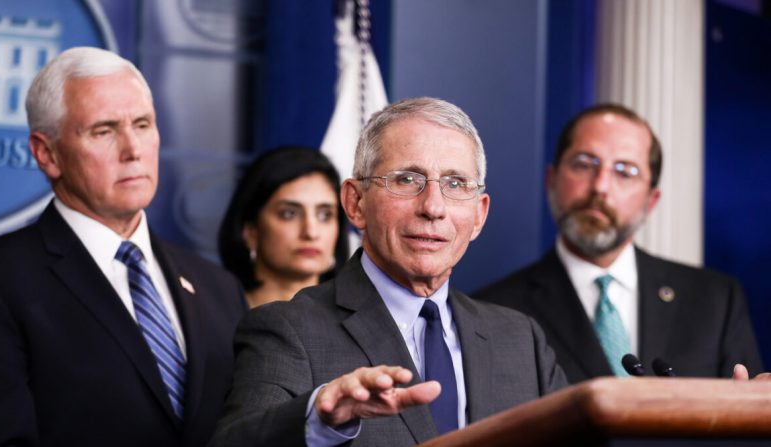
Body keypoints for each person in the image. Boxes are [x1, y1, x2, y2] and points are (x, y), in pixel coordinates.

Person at [209, 97, 567, 447]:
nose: (433, 207)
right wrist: (319, 419)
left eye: (456, 184)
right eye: (407, 180)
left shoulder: (521, 339)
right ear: (355, 203)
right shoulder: (289, 330)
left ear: (479, 216)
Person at [0, 47, 245, 446]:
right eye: (104, 131)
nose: (132, 150)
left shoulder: (219, 289)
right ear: (46, 154)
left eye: (142, 124)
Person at [475, 103, 763, 384]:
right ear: (552, 180)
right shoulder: (492, 311)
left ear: (651, 201)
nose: (600, 186)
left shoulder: (715, 301)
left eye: (625, 172)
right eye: (584, 164)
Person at [218, 147, 349, 308]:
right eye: (289, 214)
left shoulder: (362, 325)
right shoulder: (213, 318)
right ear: (250, 231)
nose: (311, 232)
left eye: (325, 215)